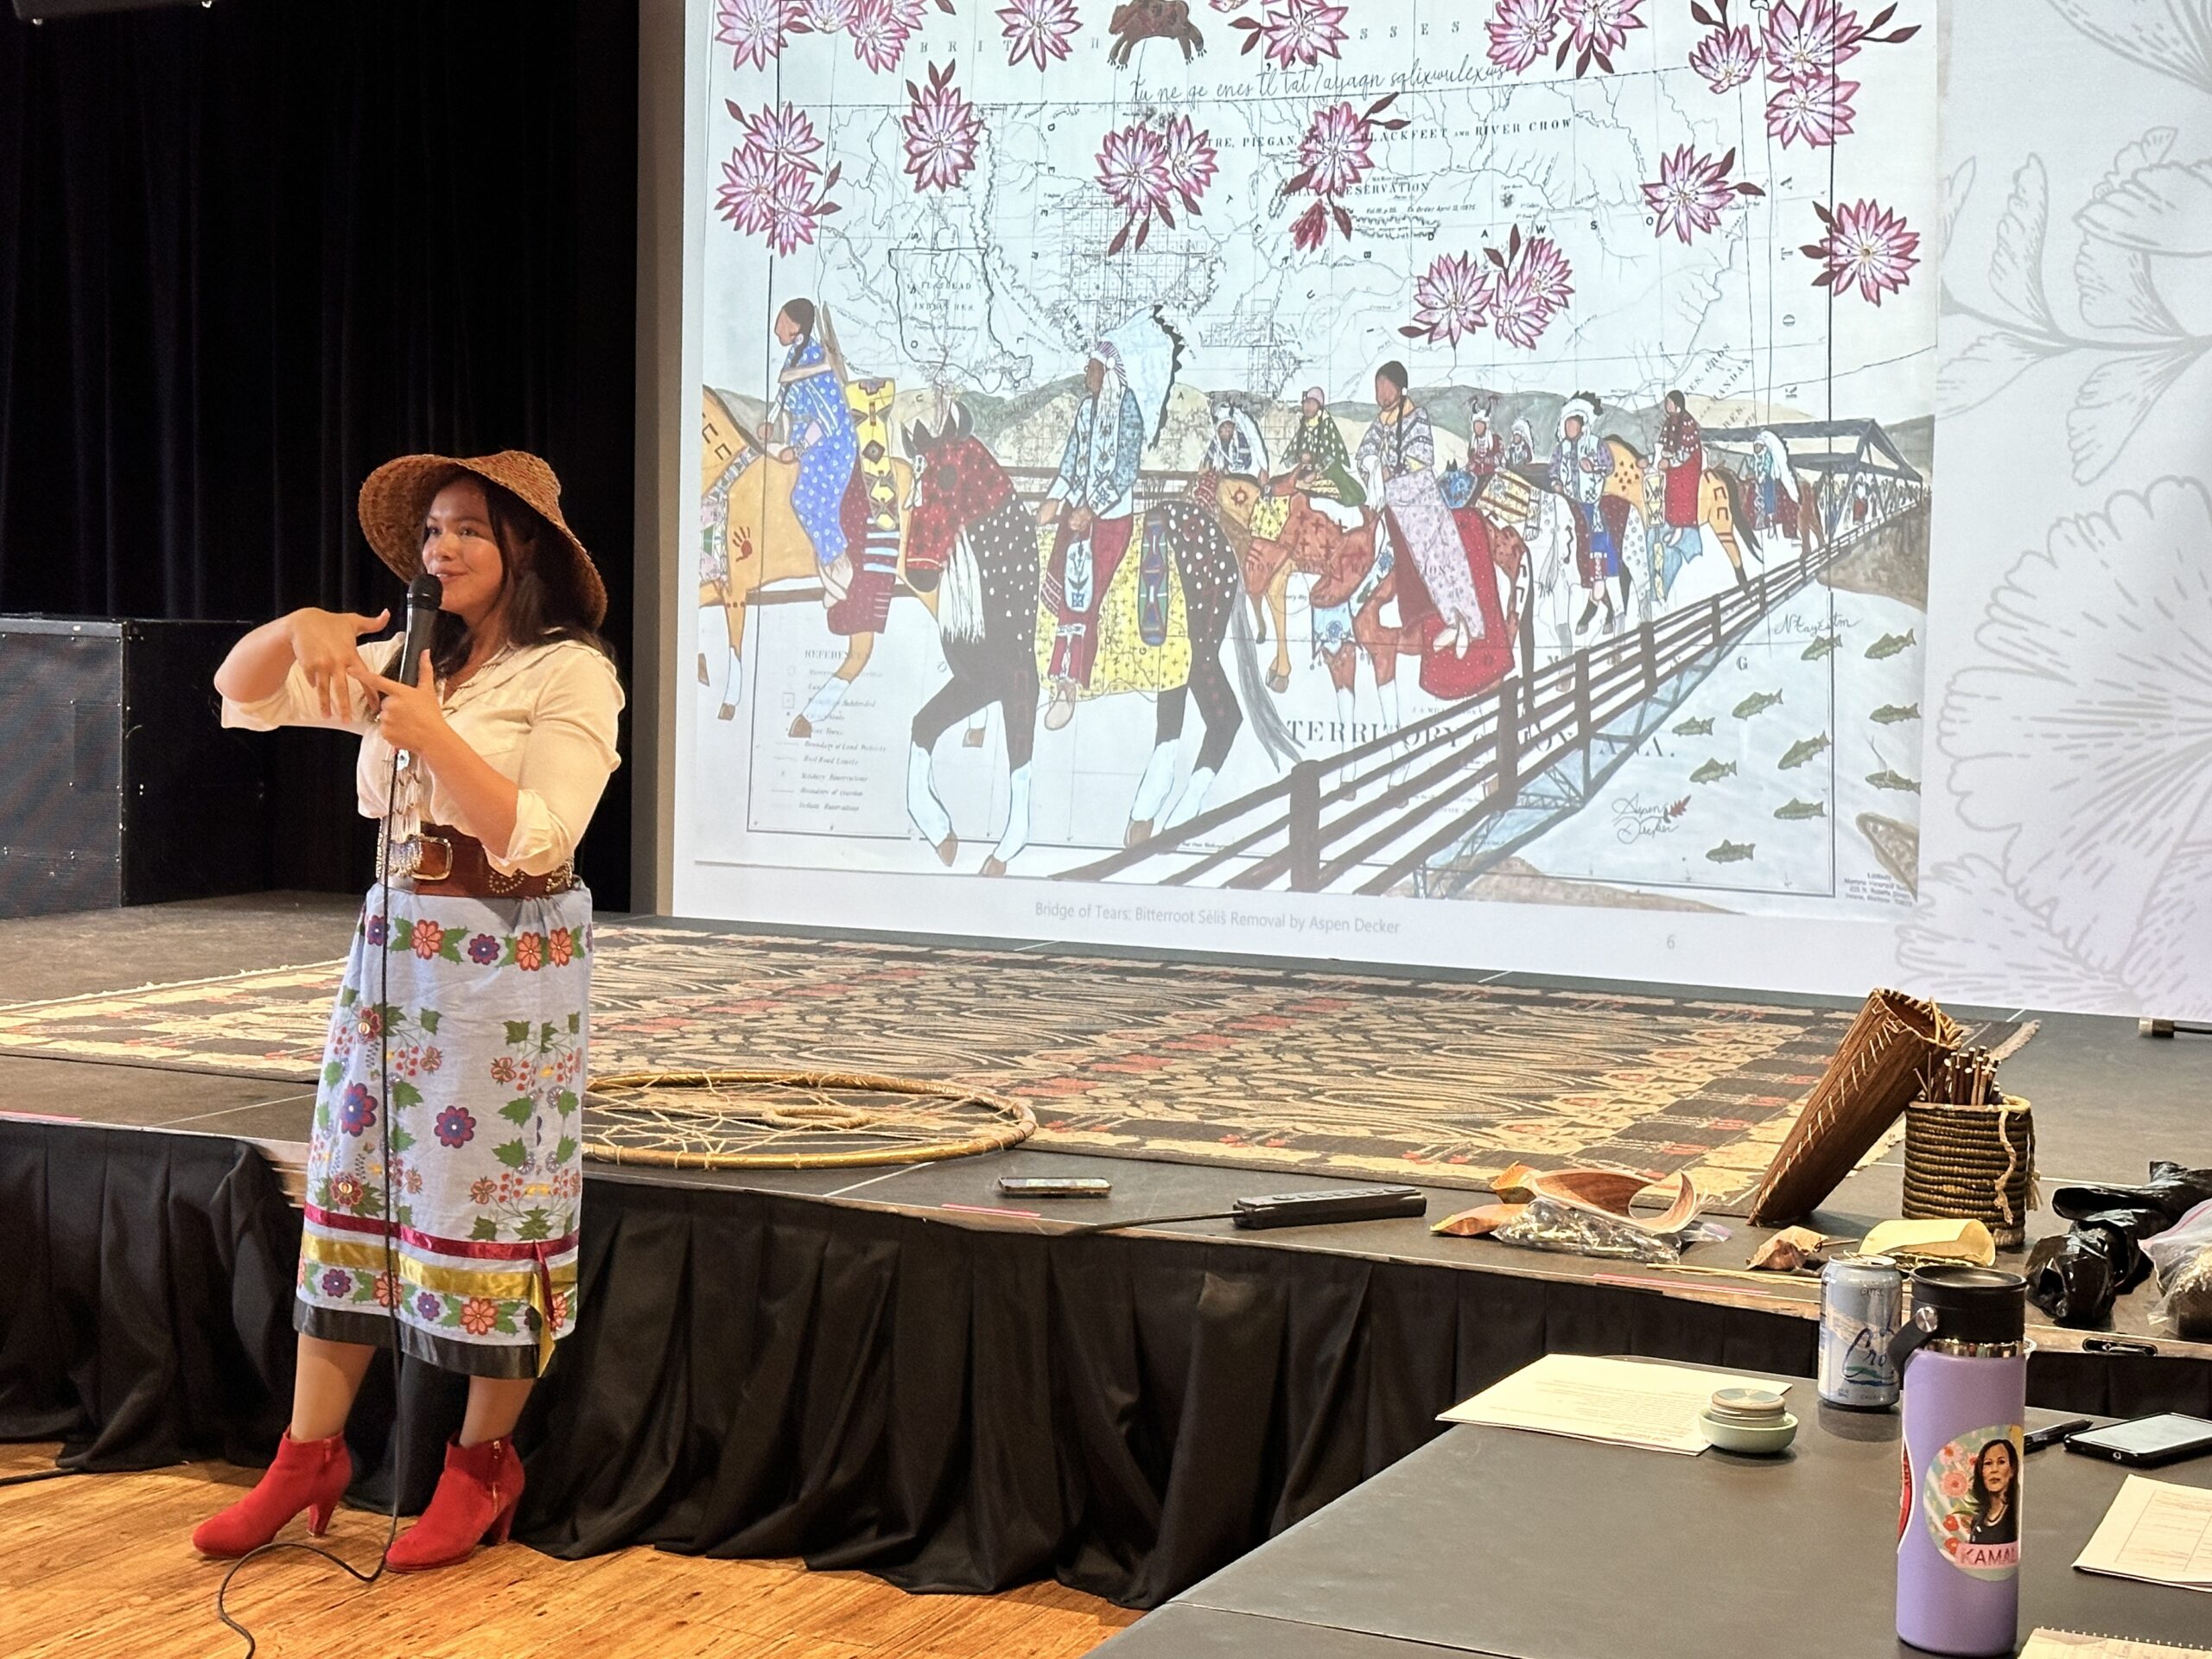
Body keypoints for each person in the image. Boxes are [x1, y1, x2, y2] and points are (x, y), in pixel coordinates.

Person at [194, 451, 623, 1573]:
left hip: (507, 958)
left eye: (470, 529)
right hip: (399, 951)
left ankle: (482, 1468)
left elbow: (542, 832)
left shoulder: (570, 676)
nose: (442, 547)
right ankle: (309, 1453)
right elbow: (240, 692)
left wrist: (434, 734)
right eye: (433, 530)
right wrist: (300, 625)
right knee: (354, 1188)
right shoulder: (406, 654)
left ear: (523, 549)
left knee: (493, 1207)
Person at [1039, 313, 1177, 730]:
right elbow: (1071, 460)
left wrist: (1090, 509)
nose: (1086, 372)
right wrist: (1054, 498)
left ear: (1108, 370)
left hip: (1110, 520)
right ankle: (1060, 672)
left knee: (1084, 594)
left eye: (1092, 366)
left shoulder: (1128, 411)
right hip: (1078, 514)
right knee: (1065, 590)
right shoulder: (1086, 411)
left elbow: (1124, 473)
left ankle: (1071, 684)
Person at [1357, 360, 1484, 658]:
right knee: (1426, 564)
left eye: (1386, 388)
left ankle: (1466, 622)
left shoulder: (1417, 416)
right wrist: (1375, 466)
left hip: (1420, 495)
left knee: (1442, 556)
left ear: (1400, 388)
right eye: (1378, 389)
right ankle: (1451, 620)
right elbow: (1363, 453)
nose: (1381, 395)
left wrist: (1393, 468)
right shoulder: (1380, 423)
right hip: (1395, 497)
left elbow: (1422, 456)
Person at [770, 298, 861, 606]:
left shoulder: (814, 359)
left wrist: (798, 449)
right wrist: (772, 426)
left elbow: (827, 419)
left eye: (781, 321)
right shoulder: (796, 356)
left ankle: (840, 571)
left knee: (808, 499)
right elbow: (785, 400)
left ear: (795, 326)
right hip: (807, 441)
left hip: (831, 445)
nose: (776, 328)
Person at [1552, 392, 1618, 632]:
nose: (1571, 427)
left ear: (1582, 425)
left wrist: (1594, 467)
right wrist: (1556, 484)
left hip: (1591, 505)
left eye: (1575, 423)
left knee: (1596, 543)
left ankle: (1599, 597)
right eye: (1567, 423)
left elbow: (1609, 466)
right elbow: (1553, 471)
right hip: (1568, 504)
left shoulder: (1596, 444)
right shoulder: (1561, 449)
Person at [1282, 385, 1364, 525]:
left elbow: (1332, 455)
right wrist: (1299, 458)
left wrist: (1316, 471)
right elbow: (1290, 458)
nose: (1307, 407)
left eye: (1311, 403)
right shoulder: (1304, 426)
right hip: (1305, 470)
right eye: (1306, 403)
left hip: (1329, 470)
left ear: (1319, 407)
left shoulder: (1326, 426)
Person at [1657, 389, 1702, 556]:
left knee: (1679, 486)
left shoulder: (1687, 421)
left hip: (1688, 464)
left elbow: (1687, 451)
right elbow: (1662, 444)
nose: (1666, 405)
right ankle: (1674, 525)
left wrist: (1669, 461)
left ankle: (1681, 526)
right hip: (1673, 464)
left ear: (1676, 404)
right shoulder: (1669, 422)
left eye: (1669, 402)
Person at [1967, 1437, 2020, 1547]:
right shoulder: (1977, 1521)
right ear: (1981, 1472)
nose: (1994, 1469)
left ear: (2012, 1470)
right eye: (1988, 1463)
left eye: (2001, 1462)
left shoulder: (2016, 1513)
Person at [1465, 402, 1503, 484]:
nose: (1478, 428)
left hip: (1492, 478)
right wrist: (1470, 466)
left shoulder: (1495, 440)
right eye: (1476, 426)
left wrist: (1486, 460)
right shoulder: (1473, 443)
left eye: (1480, 425)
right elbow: (1470, 459)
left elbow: (1500, 459)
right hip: (1476, 478)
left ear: (1486, 426)